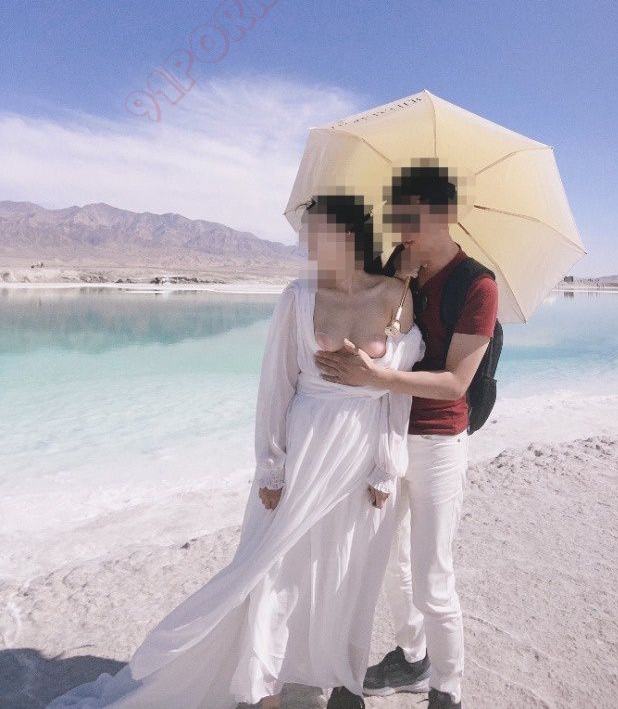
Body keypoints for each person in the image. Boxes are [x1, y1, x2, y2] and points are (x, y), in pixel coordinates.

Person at [45, 194, 425, 709]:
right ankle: (263, 690)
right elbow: (276, 386)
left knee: (348, 572)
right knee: (270, 569)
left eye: (317, 233)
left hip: (360, 458)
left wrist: (387, 465)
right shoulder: (298, 298)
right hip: (304, 450)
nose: (307, 244)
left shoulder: (396, 297)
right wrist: (270, 466)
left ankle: (343, 679)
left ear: (349, 235)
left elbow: (396, 395)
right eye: (306, 234)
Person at [315, 165, 499, 709]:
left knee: (431, 574)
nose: (401, 225)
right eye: (396, 214)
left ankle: (447, 687)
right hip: (383, 436)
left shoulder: (477, 285)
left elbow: (455, 382)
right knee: (380, 563)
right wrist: (394, 285)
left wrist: (377, 377)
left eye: (411, 214)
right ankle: (409, 658)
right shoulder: (400, 272)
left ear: (446, 214)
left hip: (439, 441)